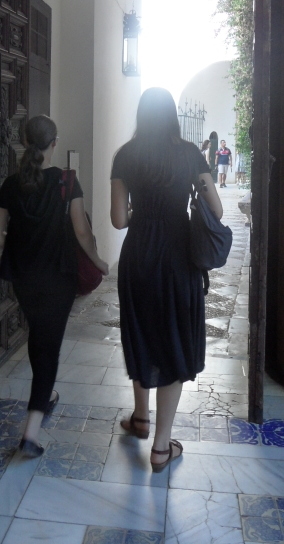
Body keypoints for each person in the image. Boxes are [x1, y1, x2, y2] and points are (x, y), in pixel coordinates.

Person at [110, 88, 223, 471]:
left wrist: (139, 210)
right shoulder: (190, 154)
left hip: (139, 255)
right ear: (173, 115)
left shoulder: (126, 155)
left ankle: (140, 417)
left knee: (141, 332)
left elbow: (118, 220)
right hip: (178, 257)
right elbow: (216, 208)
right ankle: (161, 446)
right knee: (173, 338)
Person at [0, 115, 109, 457]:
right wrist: (99, 261)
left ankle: (46, 395)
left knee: (39, 337)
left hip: (24, 278)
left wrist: (20, 246)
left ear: (25, 141)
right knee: (48, 347)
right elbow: (82, 232)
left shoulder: (12, 183)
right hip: (58, 277)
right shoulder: (67, 182)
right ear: (54, 143)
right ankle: (30, 433)